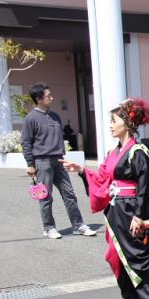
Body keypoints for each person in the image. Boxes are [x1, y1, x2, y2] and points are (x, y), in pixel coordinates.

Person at [61, 98, 149, 299]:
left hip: (131, 210)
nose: (109, 125)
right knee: (116, 255)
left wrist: (138, 215)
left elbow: (144, 187)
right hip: (115, 209)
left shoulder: (138, 151)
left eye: (113, 120)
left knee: (139, 254)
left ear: (127, 123)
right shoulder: (114, 152)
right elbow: (101, 178)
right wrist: (81, 169)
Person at [22, 82, 96, 239]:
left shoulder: (55, 116)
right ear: (38, 99)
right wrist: (30, 164)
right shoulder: (31, 119)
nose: (52, 98)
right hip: (42, 162)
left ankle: (78, 225)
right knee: (45, 196)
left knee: (69, 194)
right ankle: (49, 228)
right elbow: (26, 142)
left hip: (59, 160)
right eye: (48, 96)